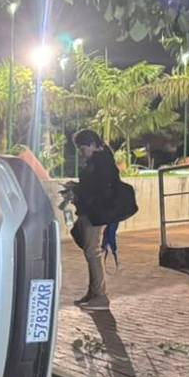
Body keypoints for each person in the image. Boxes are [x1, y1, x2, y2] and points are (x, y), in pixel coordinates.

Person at [69, 129, 120, 310]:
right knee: (91, 250)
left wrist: (78, 192)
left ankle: (100, 295)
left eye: (83, 149)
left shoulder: (102, 163)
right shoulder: (98, 161)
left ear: (92, 145)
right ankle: (94, 292)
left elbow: (98, 190)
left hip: (95, 213)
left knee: (93, 251)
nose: (81, 154)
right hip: (91, 211)